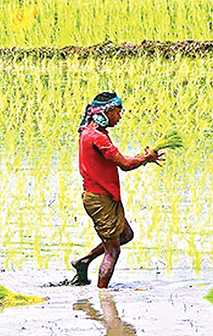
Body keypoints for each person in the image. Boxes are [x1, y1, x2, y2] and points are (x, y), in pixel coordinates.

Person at [69, 92, 164, 288]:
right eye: (118, 112)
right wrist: (145, 158)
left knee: (126, 236)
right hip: (99, 199)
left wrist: (143, 158)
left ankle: (84, 261)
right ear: (106, 112)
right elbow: (125, 165)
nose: (120, 116)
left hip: (105, 196)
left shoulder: (90, 131)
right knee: (113, 250)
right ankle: (103, 295)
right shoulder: (98, 138)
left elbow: (121, 160)